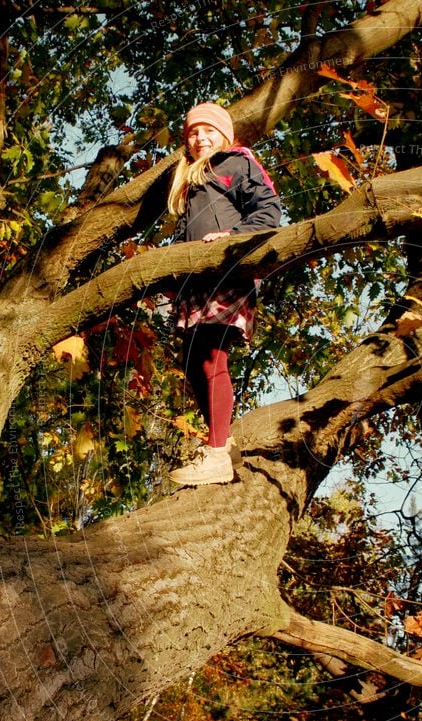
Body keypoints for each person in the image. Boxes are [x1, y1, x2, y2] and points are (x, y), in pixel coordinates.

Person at [166, 101, 282, 486]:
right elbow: (186, 234)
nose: (200, 138)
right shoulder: (190, 181)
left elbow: (268, 211)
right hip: (195, 283)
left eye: (208, 131)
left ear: (225, 135)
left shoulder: (237, 162)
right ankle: (224, 441)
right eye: (192, 133)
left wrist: (233, 239)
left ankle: (215, 455)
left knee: (214, 357)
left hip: (227, 272)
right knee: (192, 363)